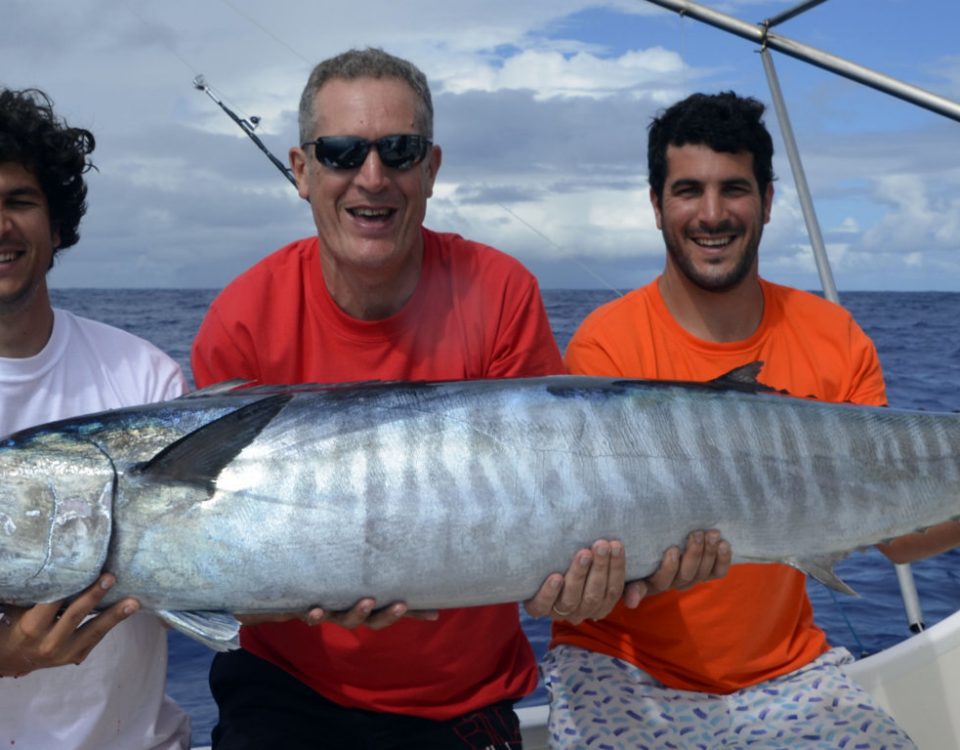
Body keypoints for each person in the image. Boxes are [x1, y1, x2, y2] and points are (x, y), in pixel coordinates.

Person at [191, 48, 728, 749]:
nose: (372, 177)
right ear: (302, 170)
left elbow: (549, 497)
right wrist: (288, 599)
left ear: (432, 169)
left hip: (460, 703)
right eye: (343, 152)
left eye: (400, 150)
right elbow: (214, 554)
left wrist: (588, 581)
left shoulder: (500, 291)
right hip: (287, 694)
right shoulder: (241, 319)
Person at [541, 91, 946, 749]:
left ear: (766, 199)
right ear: (655, 205)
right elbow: (593, 547)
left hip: (789, 671)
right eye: (687, 190)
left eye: (733, 189)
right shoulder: (604, 346)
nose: (711, 214)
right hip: (623, 669)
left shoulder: (835, 336)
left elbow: (899, 537)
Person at [0, 89, 190, 748]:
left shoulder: (144, 377)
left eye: (19, 201)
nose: (0, 225)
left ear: (57, 227)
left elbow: (193, 584)